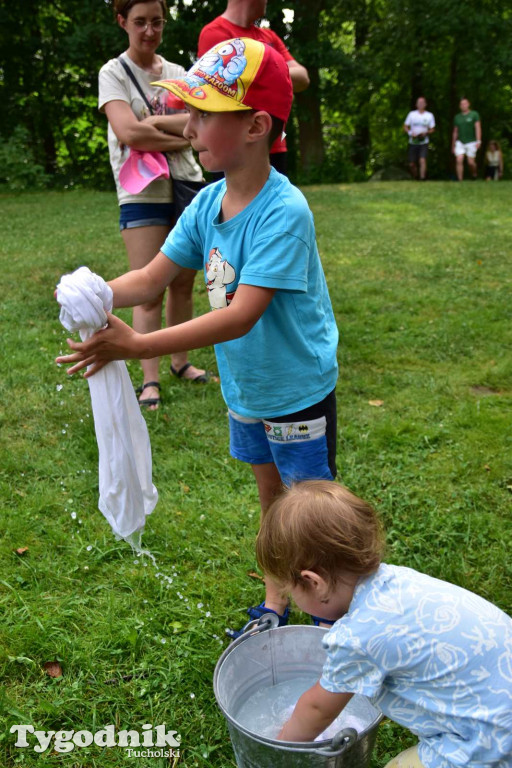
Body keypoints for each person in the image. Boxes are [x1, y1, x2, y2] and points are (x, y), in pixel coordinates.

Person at [57, 38, 339, 636]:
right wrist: (96, 293)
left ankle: (327, 616)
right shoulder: (208, 202)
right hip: (248, 389)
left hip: (296, 390)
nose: (189, 125)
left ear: (257, 125)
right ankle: (276, 603)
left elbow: (240, 316)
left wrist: (136, 347)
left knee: (309, 509)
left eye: (205, 113)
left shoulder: (284, 211)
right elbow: (153, 277)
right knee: (270, 500)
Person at [256, 480, 512, 767]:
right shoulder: (398, 582)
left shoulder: (358, 638)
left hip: (491, 739)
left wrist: (278, 748)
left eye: (291, 591)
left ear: (313, 582)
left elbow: (316, 709)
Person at [99, 0, 211, 409]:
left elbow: (198, 125)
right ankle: (150, 379)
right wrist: (180, 134)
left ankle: (180, 362)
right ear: (122, 22)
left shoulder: (181, 74)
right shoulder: (113, 73)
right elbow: (129, 133)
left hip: (186, 184)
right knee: (148, 286)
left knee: (183, 281)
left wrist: (161, 127)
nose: (149, 31)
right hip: (141, 191)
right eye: (140, 22)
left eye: (157, 22)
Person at [197, 0, 309, 177]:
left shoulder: (269, 37)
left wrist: (256, 74)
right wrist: (276, 80)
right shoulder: (215, 33)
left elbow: (302, 77)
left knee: (277, 202)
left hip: (274, 145)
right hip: (235, 149)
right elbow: (220, 94)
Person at [403, 97, 435, 180]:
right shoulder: (411, 114)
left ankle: (422, 178)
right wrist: (410, 133)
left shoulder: (429, 115)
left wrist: (426, 133)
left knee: (422, 160)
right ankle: (416, 176)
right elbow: (405, 126)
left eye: (422, 102)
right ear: (416, 104)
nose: (420, 104)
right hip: (413, 142)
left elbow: (432, 129)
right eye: (419, 103)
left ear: (425, 104)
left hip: (424, 142)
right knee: (412, 164)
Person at [452, 98, 482, 181]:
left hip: (471, 141)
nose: (463, 105)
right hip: (460, 142)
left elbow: (478, 128)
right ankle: (460, 180)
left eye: (465, 103)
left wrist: (479, 140)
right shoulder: (457, 117)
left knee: (471, 163)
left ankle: (474, 174)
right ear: (459, 106)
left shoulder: (474, 114)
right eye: (461, 104)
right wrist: (453, 145)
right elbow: (455, 132)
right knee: (459, 159)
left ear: (468, 104)